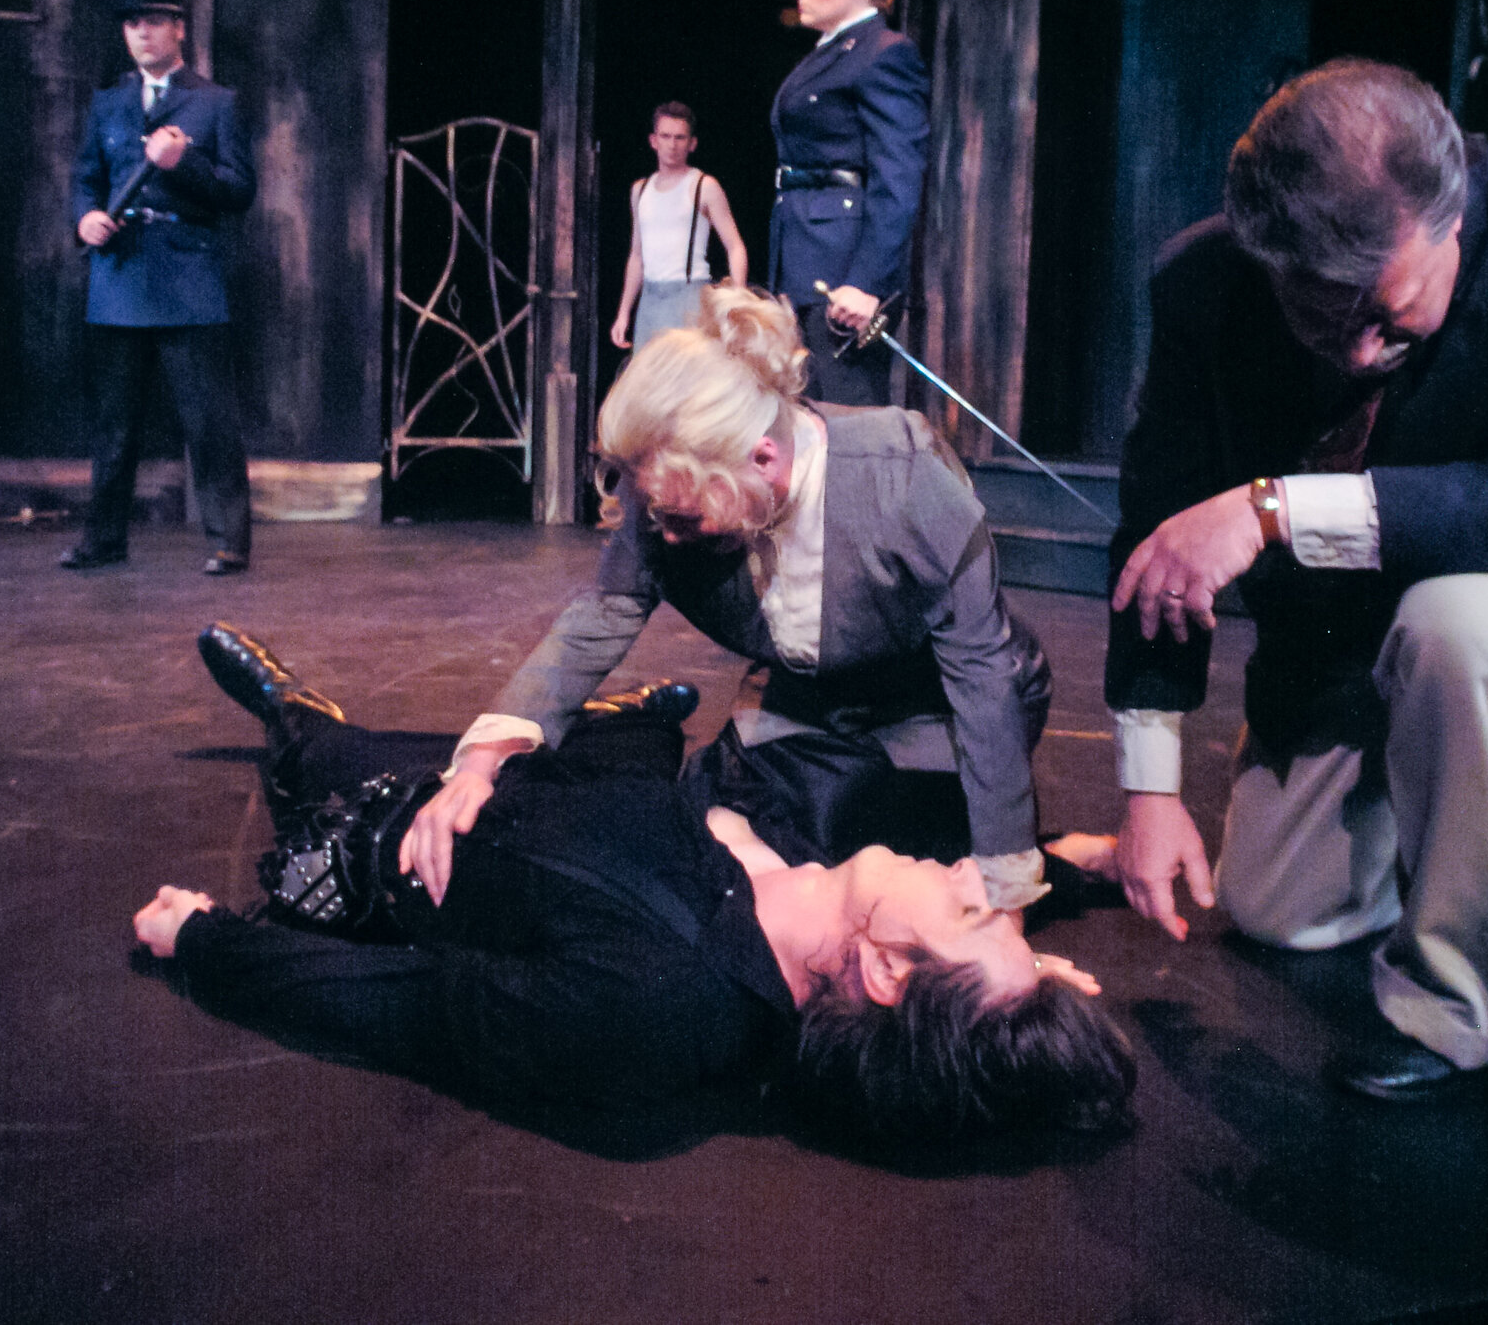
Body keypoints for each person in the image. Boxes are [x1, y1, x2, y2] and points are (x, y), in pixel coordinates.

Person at [1101, 58, 1488, 1100]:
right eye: (1323, 319)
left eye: (1390, 317)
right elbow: (1158, 534)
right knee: (1276, 911)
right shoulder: (1202, 281)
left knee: (1456, 629)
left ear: (1453, 218)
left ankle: (1460, 1005)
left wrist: (1269, 508)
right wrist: (1149, 788)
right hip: (1345, 611)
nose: (1360, 354)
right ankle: (1469, 829)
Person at [130, 624, 1135, 1142]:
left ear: (883, 972)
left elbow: (409, 1009)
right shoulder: (826, 868)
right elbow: (971, 897)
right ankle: (629, 720)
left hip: (398, 836)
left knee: (312, 750)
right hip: (571, 776)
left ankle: (291, 707)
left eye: (971, 911)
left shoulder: (657, 1002)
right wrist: (1071, 877)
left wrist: (209, 945)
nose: (967, 872)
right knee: (623, 739)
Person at [409, 285, 1056, 915]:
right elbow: (606, 608)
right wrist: (484, 758)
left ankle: (1062, 859)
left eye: (684, 520)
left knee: (868, 868)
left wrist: (1006, 879)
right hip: (812, 699)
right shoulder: (669, 479)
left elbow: (982, 670)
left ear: (763, 460)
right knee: (703, 846)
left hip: (932, 702)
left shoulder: (906, 477)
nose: (664, 537)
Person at [62, 0, 257, 576]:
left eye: (154, 21)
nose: (142, 33)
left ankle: (228, 541)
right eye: (132, 23)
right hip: (119, 276)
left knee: (209, 421)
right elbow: (86, 178)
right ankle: (103, 540)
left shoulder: (215, 103)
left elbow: (239, 191)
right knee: (114, 424)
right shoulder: (108, 102)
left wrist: (184, 161)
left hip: (186, 276)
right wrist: (86, 217)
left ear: (179, 29)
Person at [769, 0, 929, 407]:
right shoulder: (828, 53)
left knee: (846, 416)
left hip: (843, 269)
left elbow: (898, 176)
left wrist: (866, 282)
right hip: (805, 256)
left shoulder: (884, 53)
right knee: (805, 414)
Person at [610, 102, 750, 354]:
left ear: (692, 143)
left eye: (679, 137)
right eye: (665, 136)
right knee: (647, 373)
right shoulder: (640, 190)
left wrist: (737, 299)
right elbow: (637, 256)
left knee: (687, 372)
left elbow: (735, 245)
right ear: (653, 141)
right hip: (650, 298)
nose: (672, 145)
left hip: (689, 293)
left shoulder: (703, 186)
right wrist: (623, 313)